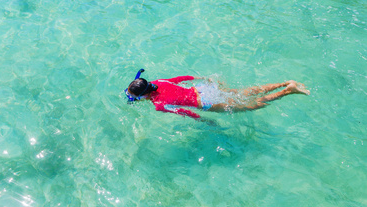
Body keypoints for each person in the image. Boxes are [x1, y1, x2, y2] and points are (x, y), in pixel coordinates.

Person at [125, 69, 310, 120]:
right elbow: (181, 78)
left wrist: (203, 120)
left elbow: (186, 112)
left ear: (143, 95)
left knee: (248, 105)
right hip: (203, 88)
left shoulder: (159, 105)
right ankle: (285, 82)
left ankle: (288, 91)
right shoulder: (158, 82)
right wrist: (202, 77)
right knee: (242, 93)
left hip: (205, 101)